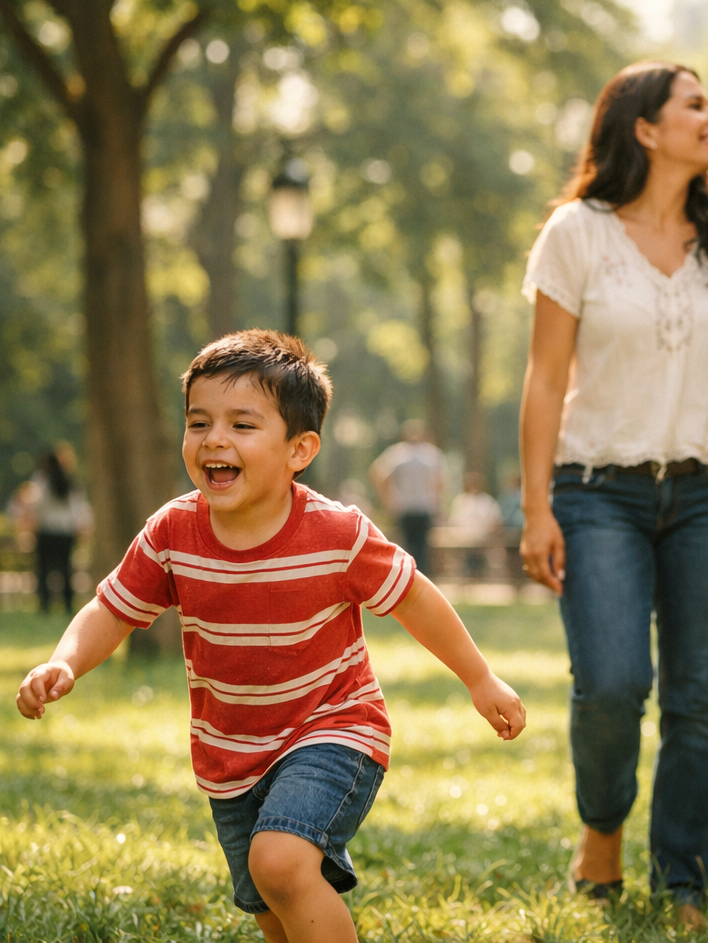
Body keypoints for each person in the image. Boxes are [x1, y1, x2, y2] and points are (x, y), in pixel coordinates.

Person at [16, 330, 525, 943]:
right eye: (198, 422)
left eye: (243, 425)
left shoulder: (337, 533)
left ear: (299, 449)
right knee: (270, 905)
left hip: (334, 727)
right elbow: (112, 609)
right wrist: (64, 662)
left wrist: (479, 676)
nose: (215, 440)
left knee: (280, 863)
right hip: (229, 751)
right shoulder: (173, 531)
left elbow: (415, 597)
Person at [518, 61, 708, 926]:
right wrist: (536, 505)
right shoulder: (576, 232)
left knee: (701, 696)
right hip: (598, 493)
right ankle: (602, 826)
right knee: (612, 681)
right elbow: (545, 378)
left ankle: (686, 880)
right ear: (644, 128)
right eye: (696, 107)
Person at [15, 446, 93, 615]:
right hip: (66, 533)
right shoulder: (72, 482)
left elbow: (36, 506)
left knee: (43, 570)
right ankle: (67, 606)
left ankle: (45, 606)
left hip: (47, 532)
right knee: (66, 570)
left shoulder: (42, 480)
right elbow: (80, 509)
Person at [369, 419, 445, 577]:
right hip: (425, 507)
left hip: (404, 507)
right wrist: (437, 501)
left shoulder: (397, 453)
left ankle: (408, 578)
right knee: (422, 546)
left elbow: (377, 473)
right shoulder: (431, 454)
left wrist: (387, 500)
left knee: (407, 546)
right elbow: (440, 482)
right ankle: (422, 579)